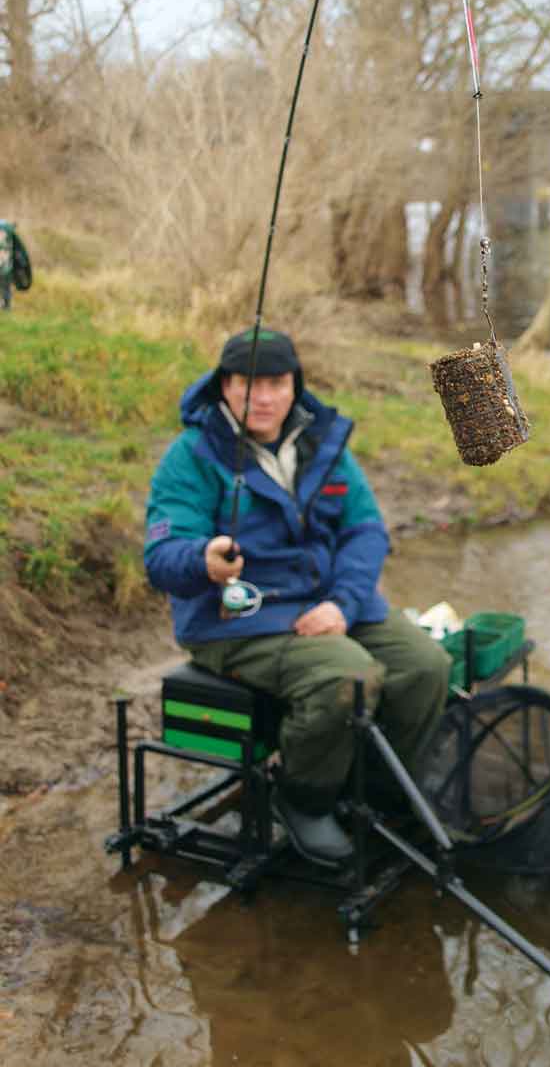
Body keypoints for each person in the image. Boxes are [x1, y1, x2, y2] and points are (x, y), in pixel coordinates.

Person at [144, 326, 452, 866]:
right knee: (348, 677)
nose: (263, 398)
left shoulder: (321, 441)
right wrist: (204, 559)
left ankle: (374, 789)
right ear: (223, 386)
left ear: (295, 386)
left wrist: (343, 604)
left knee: (426, 664)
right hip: (237, 620)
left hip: (328, 600)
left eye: (276, 384)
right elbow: (162, 557)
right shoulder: (190, 455)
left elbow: (365, 530)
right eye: (247, 385)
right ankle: (302, 799)